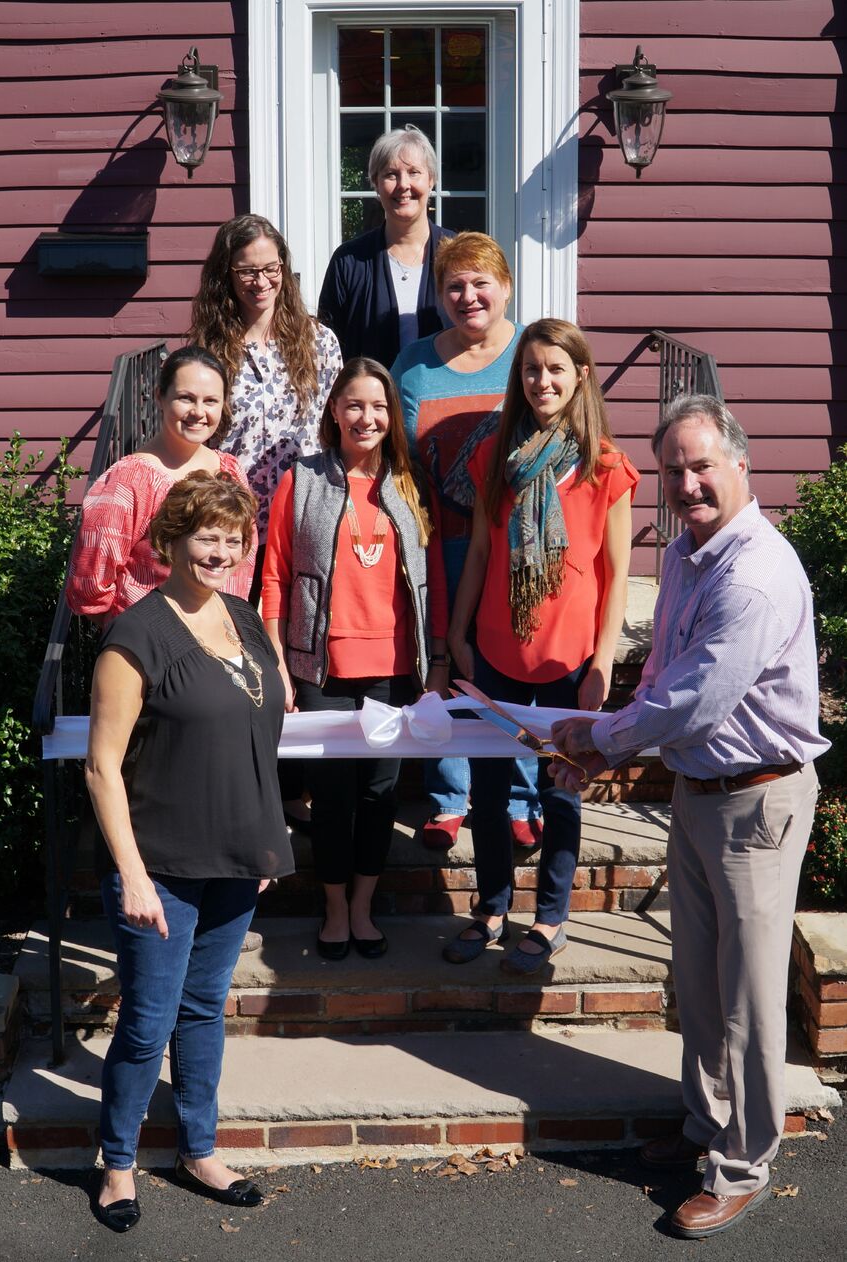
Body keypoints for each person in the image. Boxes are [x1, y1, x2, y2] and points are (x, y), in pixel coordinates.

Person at [551, 394, 829, 1239]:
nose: (686, 484)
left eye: (701, 465)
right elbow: (664, 673)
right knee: (700, 983)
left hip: (756, 800)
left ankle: (742, 1165)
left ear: (740, 463)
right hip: (698, 791)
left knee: (747, 995)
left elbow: (698, 698)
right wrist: (613, 737)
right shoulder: (683, 553)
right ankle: (706, 1126)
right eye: (671, 470)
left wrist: (603, 740)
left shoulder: (753, 573)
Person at [85, 472, 293, 1233]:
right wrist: (132, 875)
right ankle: (116, 1163)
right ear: (171, 541)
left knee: (204, 1011)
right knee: (147, 1022)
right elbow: (101, 766)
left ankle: (198, 1151)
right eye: (207, 536)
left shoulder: (243, 618)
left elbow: (256, 738)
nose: (221, 552)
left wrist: (264, 840)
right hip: (161, 866)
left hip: (235, 858)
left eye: (234, 540)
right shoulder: (136, 635)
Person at [443, 319, 638, 971]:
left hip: (569, 660)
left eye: (555, 368)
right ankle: (491, 906)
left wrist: (602, 663)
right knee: (489, 789)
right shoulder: (496, 458)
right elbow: (478, 552)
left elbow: (616, 577)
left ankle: (551, 917)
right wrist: (457, 635)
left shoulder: (606, 468)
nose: (542, 380)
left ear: (580, 375)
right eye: (531, 368)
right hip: (496, 652)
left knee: (560, 792)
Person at [261, 358, 449, 960]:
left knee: (379, 796)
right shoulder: (302, 479)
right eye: (355, 405)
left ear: (392, 415)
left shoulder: (411, 483)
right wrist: (278, 663)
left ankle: (363, 906)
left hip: (394, 672)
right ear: (335, 411)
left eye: (379, 406)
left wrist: (438, 662)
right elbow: (275, 576)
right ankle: (335, 907)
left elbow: (434, 581)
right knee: (332, 798)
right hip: (322, 670)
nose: (367, 418)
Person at [190, 213, 342, 831]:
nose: (260, 281)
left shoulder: (319, 341)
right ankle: (242, 785)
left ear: (286, 270)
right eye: (247, 270)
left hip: (303, 519)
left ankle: (293, 786)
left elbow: (332, 429)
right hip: (232, 525)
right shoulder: (212, 348)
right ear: (226, 274)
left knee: (297, 654)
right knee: (236, 655)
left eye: (270, 268)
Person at [391, 231, 539, 852]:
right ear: (439, 295)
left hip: (517, 545)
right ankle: (448, 797)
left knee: (515, 663)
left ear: (506, 287)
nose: (469, 295)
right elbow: (397, 456)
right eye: (454, 285)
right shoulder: (413, 365)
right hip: (440, 541)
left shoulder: (532, 352)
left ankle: (521, 797)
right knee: (444, 665)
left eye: (482, 283)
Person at [66, 346, 255, 627]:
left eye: (210, 401)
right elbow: (92, 579)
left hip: (220, 632)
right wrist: (128, 635)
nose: (198, 412)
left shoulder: (230, 471)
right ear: (160, 397)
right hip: (151, 639)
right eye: (185, 398)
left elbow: (244, 558)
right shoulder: (130, 479)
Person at [318, 125, 451, 369]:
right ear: (376, 184)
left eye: (414, 173)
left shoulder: (457, 254)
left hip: (446, 391)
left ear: (431, 180)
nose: (403, 185)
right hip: (370, 393)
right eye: (391, 174)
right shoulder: (349, 261)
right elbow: (328, 348)